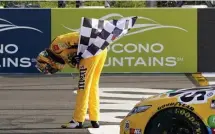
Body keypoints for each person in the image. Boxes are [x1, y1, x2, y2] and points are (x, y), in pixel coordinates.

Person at [35, 31, 108, 128]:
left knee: (83, 87)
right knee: (92, 86)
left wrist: (81, 52)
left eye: (50, 68)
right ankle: (94, 119)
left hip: (92, 51)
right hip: (100, 50)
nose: (54, 69)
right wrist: (79, 54)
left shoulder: (56, 45)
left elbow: (80, 37)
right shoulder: (62, 56)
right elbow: (75, 57)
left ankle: (77, 120)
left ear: (49, 60)